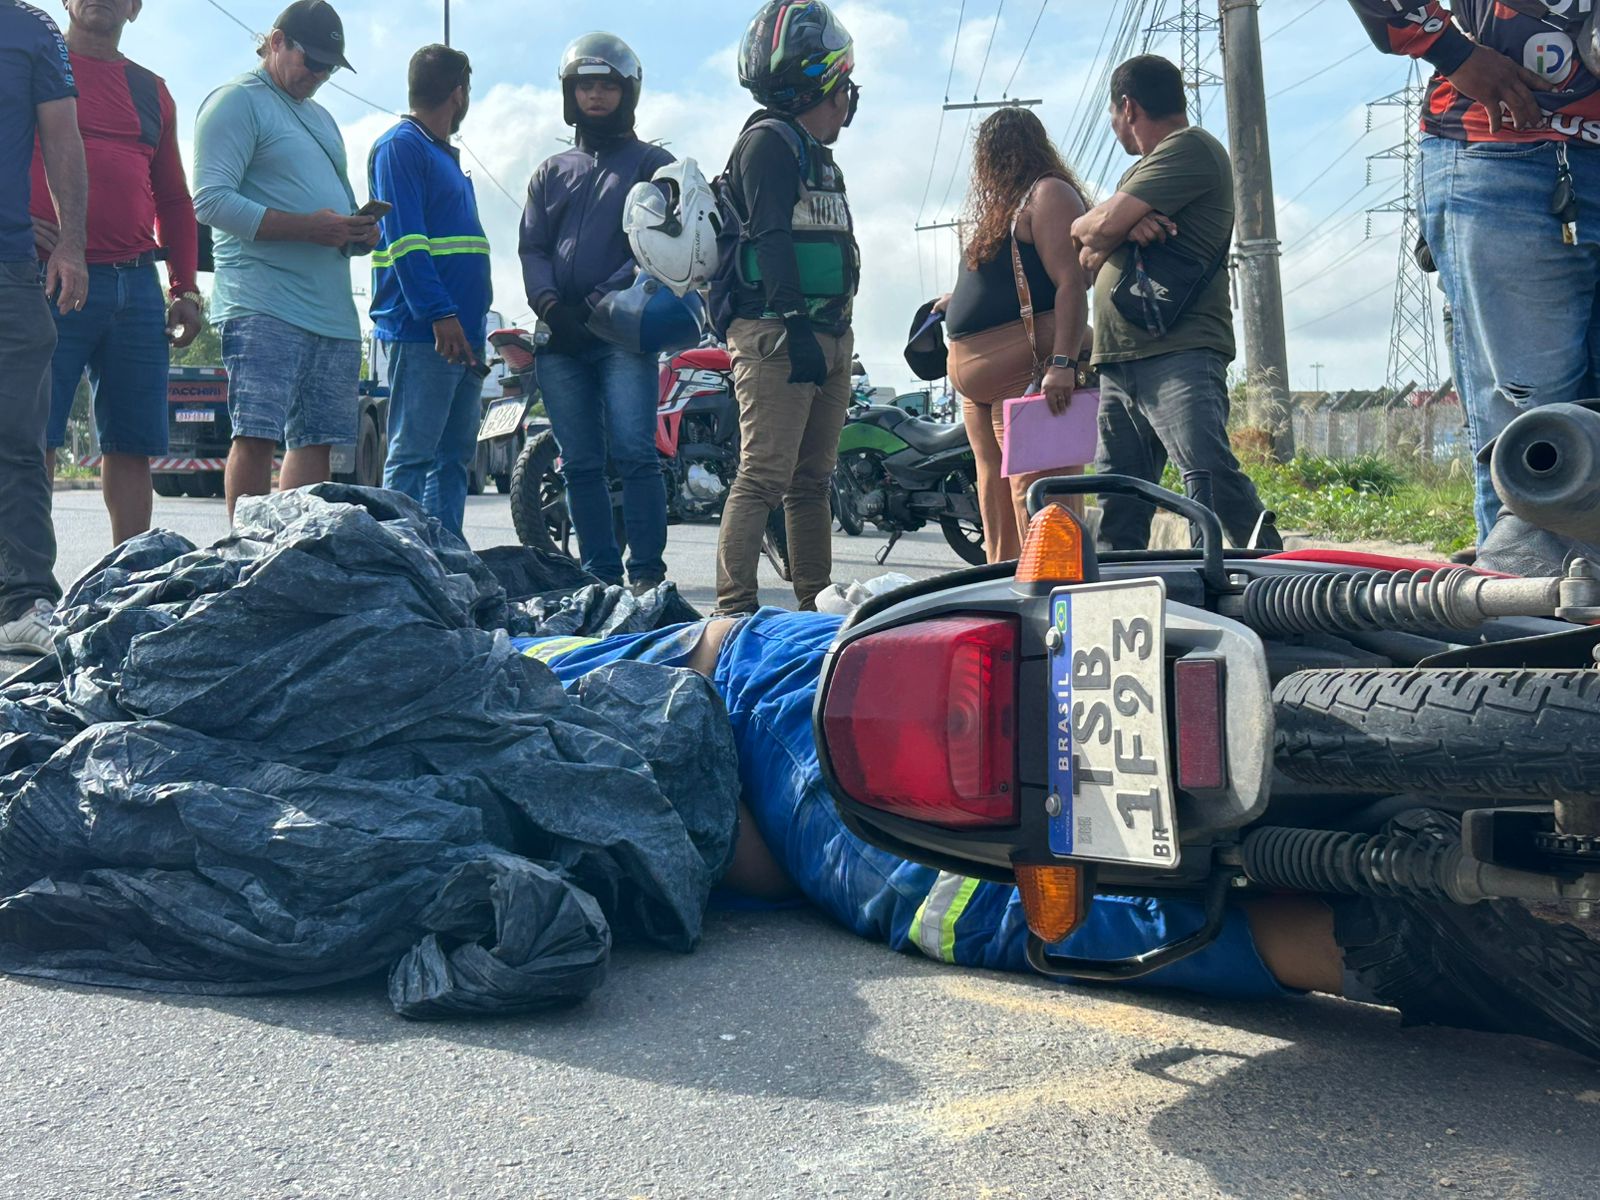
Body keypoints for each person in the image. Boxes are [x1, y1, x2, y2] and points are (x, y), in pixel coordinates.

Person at [512, 609, 1600, 1059]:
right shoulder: (496, 670)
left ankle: (1377, 940)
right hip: (795, 680)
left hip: (799, 737)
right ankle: (1497, 621)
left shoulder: (488, 697)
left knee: (1042, 908)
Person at [1347, 3, 1589, 545]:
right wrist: (1450, 49)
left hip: (1518, 165)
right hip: (1504, 151)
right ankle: (1532, 617)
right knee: (1535, 435)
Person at [1071, 55, 1276, 553]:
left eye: (1115, 115)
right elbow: (1084, 256)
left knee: (1205, 473)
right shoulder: (1138, 175)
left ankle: (1275, 568)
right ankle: (1119, 597)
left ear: (1128, 106)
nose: (1116, 125)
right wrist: (1117, 228)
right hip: (1121, 358)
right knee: (1120, 493)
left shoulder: (1189, 149)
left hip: (1179, 350)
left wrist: (1106, 226)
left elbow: (1091, 230)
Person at [192, 0, 378, 520]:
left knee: (316, 442)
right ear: (276, 42)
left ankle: (288, 561)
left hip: (330, 311)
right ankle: (245, 562)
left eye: (328, 67)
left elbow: (331, 208)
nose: (318, 75)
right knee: (257, 434)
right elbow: (209, 201)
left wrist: (353, 231)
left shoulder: (321, 118)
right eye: (310, 60)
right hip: (262, 303)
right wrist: (310, 227)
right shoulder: (237, 101)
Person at [29, 0, 202, 550]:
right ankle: (25, 589)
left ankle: (127, 583)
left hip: (136, 289)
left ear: (135, 7)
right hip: (45, 281)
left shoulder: (152, 90)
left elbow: (173, 197)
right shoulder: (29, 66)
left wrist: (186, 288)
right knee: (34, 439)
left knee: (131, 447)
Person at [713, 0, 861, 615]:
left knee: (810, 483)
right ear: (821, 85)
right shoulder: (769, 145)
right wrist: (796, 324)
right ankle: (732, 609)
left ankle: (814, 605)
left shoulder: (812, 153)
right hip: (779, 333)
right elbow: (770, 236)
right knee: (763, 476)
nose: (846, 106)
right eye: (842, 91)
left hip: (826, 333)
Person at [518, 33, 672, 592]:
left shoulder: (655, 165)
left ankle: (648, 578)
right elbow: (532, 247)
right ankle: (598, 577)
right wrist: (551, 306)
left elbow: (659, 248)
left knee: (635, 453)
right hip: (558, 340)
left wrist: (596, 302)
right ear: (570, 92)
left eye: (608, 84)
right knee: (579, 462)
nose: (597, 95)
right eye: (587, 84)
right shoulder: (549, 171)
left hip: (623, 335)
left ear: (627, 91)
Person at [934, 107, 1091, 564]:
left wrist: (1062, 363)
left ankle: (1051, 595)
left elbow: (1070, 283)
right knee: (997, 501)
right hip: (982, 384)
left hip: (1027, 370)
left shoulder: (1049, 194)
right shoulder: (1009, 205)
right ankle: (1003, 592)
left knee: (1039, 495)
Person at [368, 44, 491, 540]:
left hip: (464, 332)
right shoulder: (402, 146)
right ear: (459, 93)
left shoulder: (441, 155)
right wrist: (439, 312)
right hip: (427, 332)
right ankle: (401, 562)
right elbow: (406, 240)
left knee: (453, 456)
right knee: (414, 452)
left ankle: (446, 559)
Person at [0, 2, 88, 657]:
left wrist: (72, 245)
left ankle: (23, 600)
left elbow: (61, 138)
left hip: (7, 268)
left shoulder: (32, 29)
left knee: (18, 437)